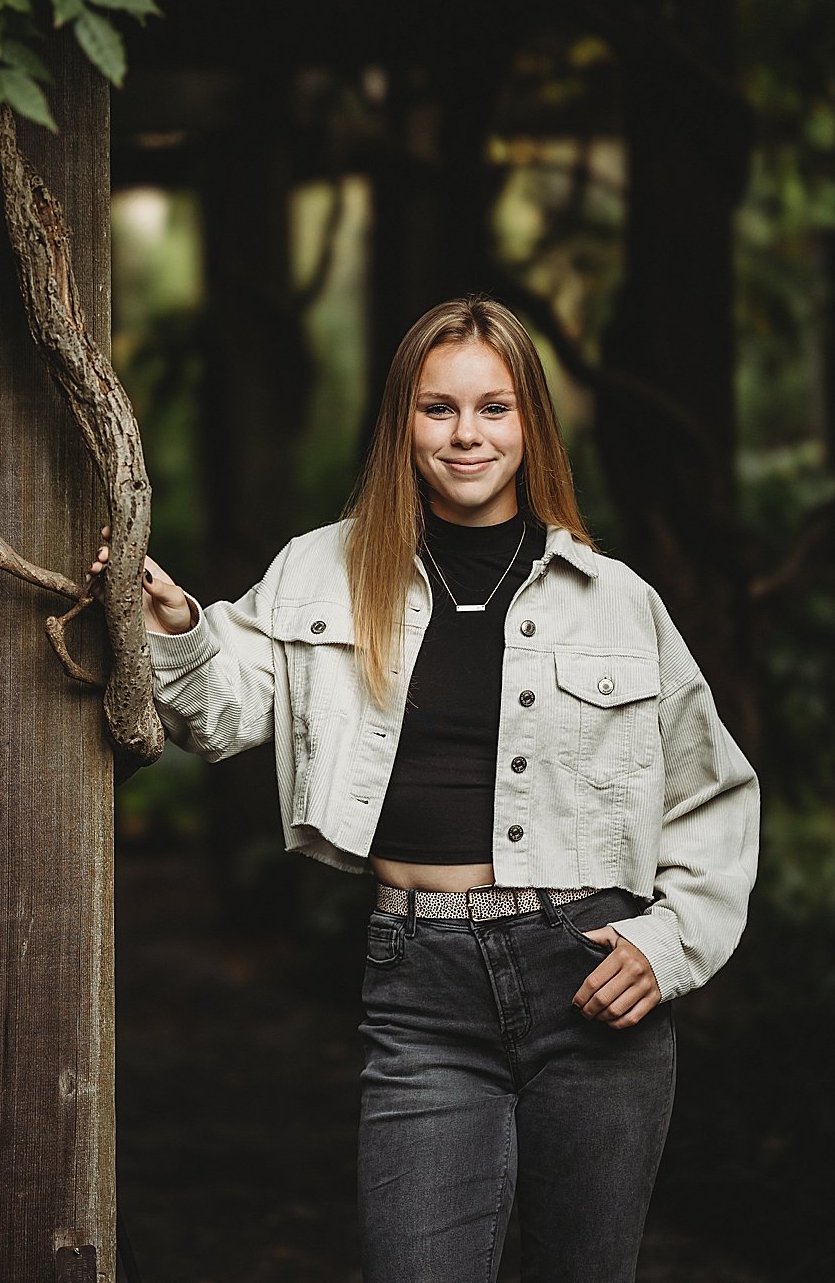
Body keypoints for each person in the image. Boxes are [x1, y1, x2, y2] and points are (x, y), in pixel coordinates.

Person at [94, 294, 759, 1283]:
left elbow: (713, 796)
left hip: (590, 976)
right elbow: (223, 714)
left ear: (531, 422)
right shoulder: (322, 570)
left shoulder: (616, 601)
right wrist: (176, 621)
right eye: (438, 408)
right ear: (403, 423)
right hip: (421, 986)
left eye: (494, 408)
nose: (466, 435)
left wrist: (669, 943)